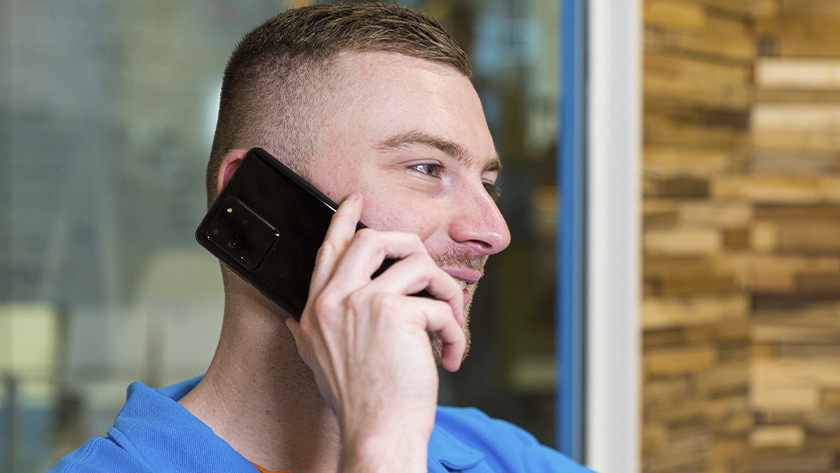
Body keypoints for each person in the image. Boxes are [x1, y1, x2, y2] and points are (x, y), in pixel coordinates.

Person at [49, 3, 593, 473]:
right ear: (253, 196)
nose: (493, 232)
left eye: (488, 185)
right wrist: (382, 446)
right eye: (427, 169)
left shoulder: (503, 453)